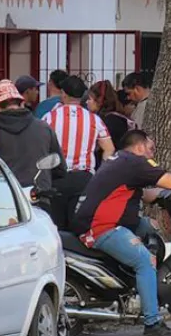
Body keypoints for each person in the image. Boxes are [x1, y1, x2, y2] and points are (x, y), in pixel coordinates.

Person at [72, 130, 171, 336]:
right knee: (144, 261)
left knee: (150, 228)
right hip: (102, 227)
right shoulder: (134, 162)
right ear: (139, 147)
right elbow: (170, 181)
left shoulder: (121, 161)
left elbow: (147, 195)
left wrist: (165, 197)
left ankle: (144, 291)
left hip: (110, 221)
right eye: (150, 148)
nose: (152, 153)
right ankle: (152, 323)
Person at [43, 76, 116, 229]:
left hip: (57, 178)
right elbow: (109, 148)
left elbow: (40, 145)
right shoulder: (94, 120)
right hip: (84, 179)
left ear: (63, 94)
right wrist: (102, 173)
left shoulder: (49, 118)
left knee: (57, 226)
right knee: (79, 226)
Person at [0, 80, 65, 195]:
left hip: (3, 198)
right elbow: (60, 169)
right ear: (21, 103)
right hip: (37, 195)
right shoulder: (44, 128)